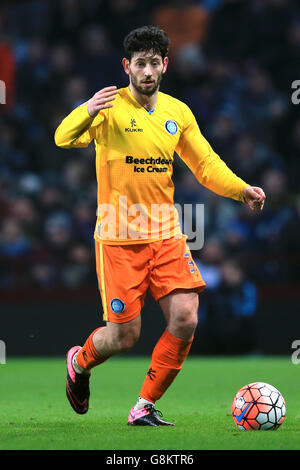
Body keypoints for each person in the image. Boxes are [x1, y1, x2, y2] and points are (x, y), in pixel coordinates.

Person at [54, 25, 265, 426]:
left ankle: (143, 407)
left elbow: (205, 164)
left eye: (154, 63)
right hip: (118, 237)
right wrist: (85, 110)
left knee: (186, 317)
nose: (147, 71)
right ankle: (79, 364)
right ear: (126, 67)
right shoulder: (108, 108)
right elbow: (63, 138)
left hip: (167, 235)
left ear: (165, 65)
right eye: (139, 64)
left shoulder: (177, 112)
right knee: (123, 337)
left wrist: (240, 189)